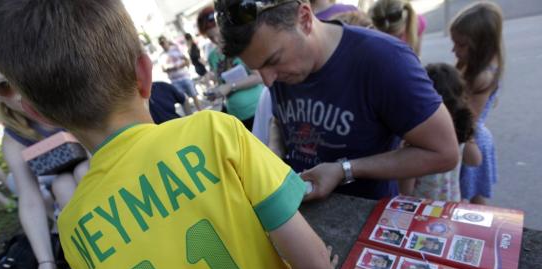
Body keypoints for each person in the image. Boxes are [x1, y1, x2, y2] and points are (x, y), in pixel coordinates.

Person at [0, 1, 337, 269]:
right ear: (145, 72)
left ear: (38, 113)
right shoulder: (214, 132)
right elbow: (315, 266)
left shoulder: (74, 226)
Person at [216, 0, 459, 201]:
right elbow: (281, 121)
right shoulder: (283, 70)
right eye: (258, 69)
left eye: (273, 60)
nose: (268, 81)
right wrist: (276, 150)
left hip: (367, 220)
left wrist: (345, 170)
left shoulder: (384, 60)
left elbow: (444, 152)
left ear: (304, 18)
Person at [0, 52, 90, 269]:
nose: (20, 91)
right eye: (5, 86)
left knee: (78, 174)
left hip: (115, 175)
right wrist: (45, 261)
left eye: (21, 76)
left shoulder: (72, 99)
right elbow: (29, 200)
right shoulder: (14, 139)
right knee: (62, 184)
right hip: (72, 195)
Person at [399, 63, 482, 201]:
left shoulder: (418, 139)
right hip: (450, 204)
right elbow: (475, 160)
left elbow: (406, 190)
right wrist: (468, 136)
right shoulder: (459, 133)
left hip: (422, 209)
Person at [451, 2, 505, 205]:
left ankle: (483, 233)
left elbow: (468, 118)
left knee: (474, 197)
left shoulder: (482, 76)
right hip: (467, 137)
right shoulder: (474, 65)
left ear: (482, 44)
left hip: (471, 140)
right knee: (470, 195)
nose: (454, 49)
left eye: (461, 44)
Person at [197, 6, 264, 130]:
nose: (216, 40)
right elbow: (221, 83)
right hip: (236, 116)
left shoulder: (240, 44)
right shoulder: (212, 56)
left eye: (218, 35)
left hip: (258, 108)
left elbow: (259, 77)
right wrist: (216, 91)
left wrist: (230, 86)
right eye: (211, 38)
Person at [157, 36, 203, 111]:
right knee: (183, 100)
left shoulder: (175, 49)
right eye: (161, 43)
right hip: (174, 81)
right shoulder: (161, 56)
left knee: (194, 95)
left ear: (166, 41)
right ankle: (189, 117)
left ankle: (201, 112)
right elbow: (163, 69)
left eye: (163, 42)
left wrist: (181, 66)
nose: (163, 44)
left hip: (185, 77)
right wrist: (170, 68)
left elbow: (187, 60)